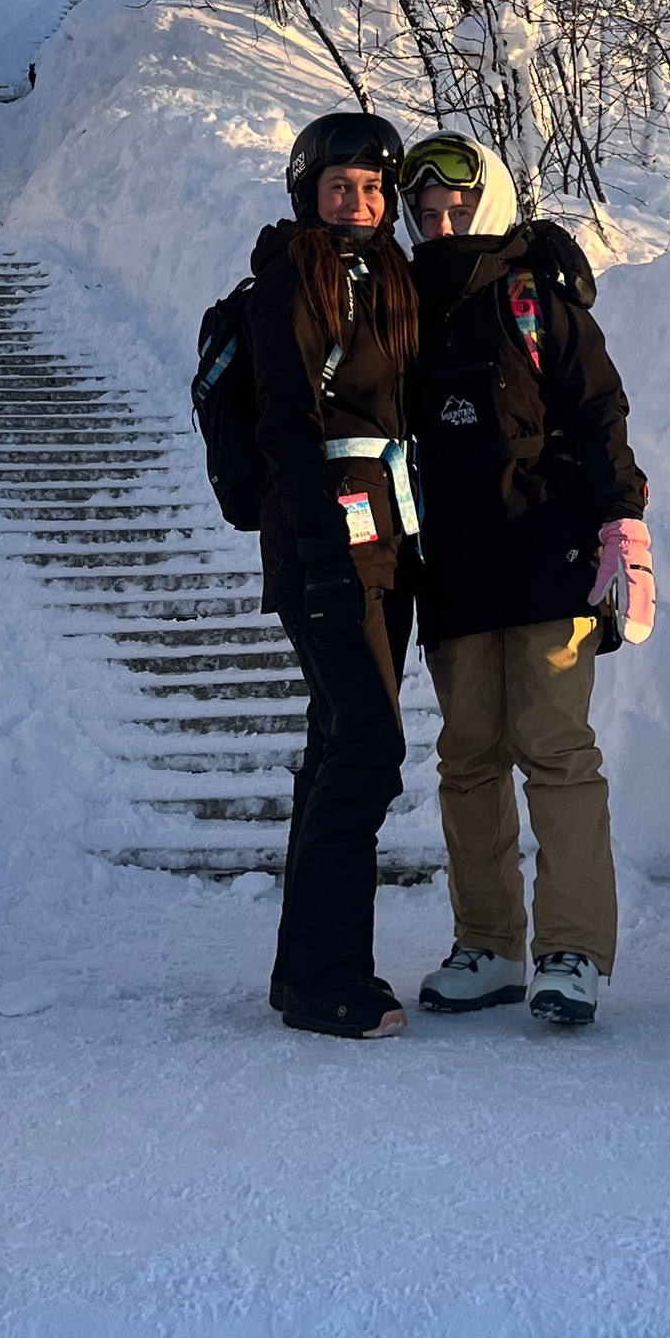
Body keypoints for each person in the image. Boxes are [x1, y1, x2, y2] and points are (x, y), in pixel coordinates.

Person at [399, 132, 652, 1032]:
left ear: (493, 201)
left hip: (549, 559)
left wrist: (622, 521)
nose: (441, 225)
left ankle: (572, 949)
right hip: (457, 569)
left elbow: (597, 408)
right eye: (425, 214)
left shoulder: (535, 292)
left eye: (456, 209)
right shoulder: (409, 307)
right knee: (467, 758)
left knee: (556, 750)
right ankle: (490, 943)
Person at [247, 109, 421, 1039]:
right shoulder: (294, 284)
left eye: (371, 187)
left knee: (336, 748)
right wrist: (319, 558)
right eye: (338, 186)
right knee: (367, 749)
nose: (358, 202)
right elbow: (286, 429)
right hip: (331, 547)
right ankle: (327, 977)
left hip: (387, 543)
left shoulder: (382, 278)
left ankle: (303, 970)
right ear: (308, 194)